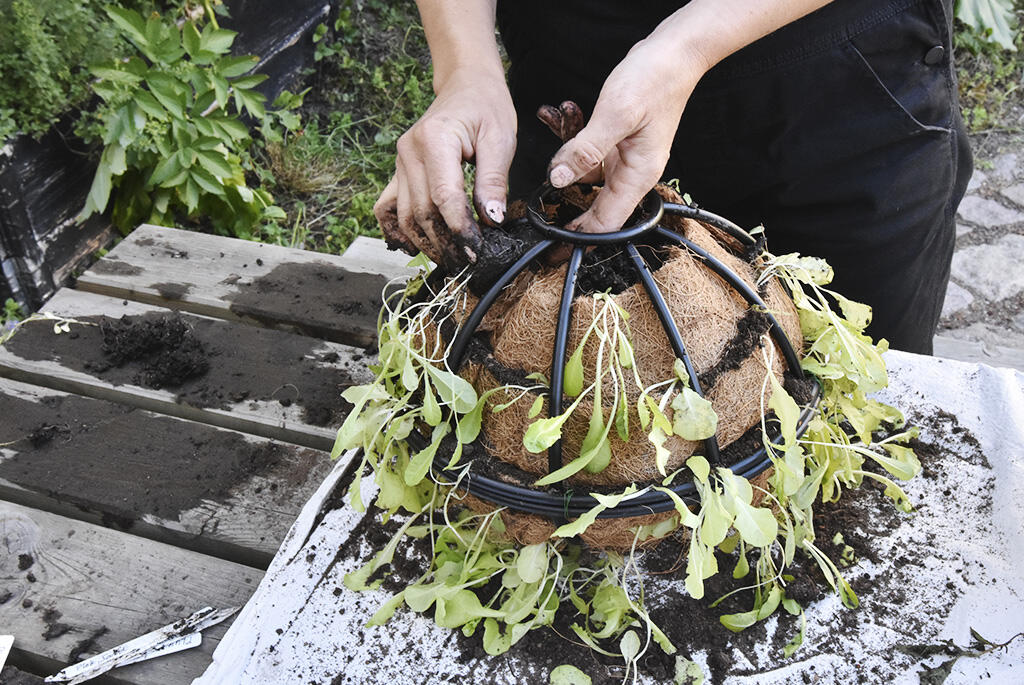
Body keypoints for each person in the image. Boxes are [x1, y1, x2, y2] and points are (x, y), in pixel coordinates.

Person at [373, 0, 972, 354]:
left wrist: (686, 49)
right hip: (579, 76)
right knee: (557, 393)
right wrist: (465, 68)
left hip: (824, 80)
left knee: (839, 403)